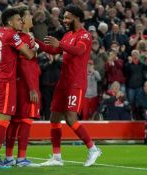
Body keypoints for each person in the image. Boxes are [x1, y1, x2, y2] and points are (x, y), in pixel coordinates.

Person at [35, 5, 101, 167]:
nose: (64, 20)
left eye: (67, 17)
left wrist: (60, 44)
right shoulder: (67, 35)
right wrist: (34, 42)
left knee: (71, 118)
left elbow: (78, 51)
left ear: (77, 18)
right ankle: (57, 157)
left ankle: (93, 148)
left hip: (75, 83)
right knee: (54, 118)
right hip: (63, 83)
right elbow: (53, 50)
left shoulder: (84, 35)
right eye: (64, 17)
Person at [0, 8, 35, 169]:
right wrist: (34, 47)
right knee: (3, 121)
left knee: (4, 120)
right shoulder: (11, 34)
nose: (21, 22)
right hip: (6, 80)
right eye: (17, 19)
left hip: (0, 77)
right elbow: (28, 54)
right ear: (9, 22)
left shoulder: (1, 32)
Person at [4, 5, 41, 167]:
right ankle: (21, 159)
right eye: (28, 16)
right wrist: (32, 87)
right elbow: (25, 65)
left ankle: (9, 157)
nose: (31, 18)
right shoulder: (24, 39)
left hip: (20, 83)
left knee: (15, 121)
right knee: (26, 121)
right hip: (27, 85)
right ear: (23, 21)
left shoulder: (24, 37)